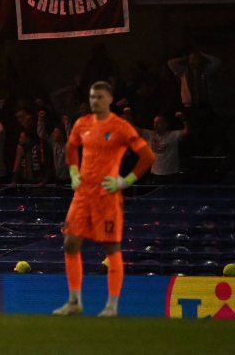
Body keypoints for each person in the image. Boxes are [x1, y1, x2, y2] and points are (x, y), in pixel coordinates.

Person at [54, 80, 155, 317]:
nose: (95, 101)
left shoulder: (120, 126)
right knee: (70, 243)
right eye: (92, 97)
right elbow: (71, 148)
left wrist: (125, 181)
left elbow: (147, 156)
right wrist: (74, 172)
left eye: (99, 96)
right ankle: (74, 301)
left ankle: (111, 306)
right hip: (83, 194)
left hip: (107, 195)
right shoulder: (82, 123)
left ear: (110, 99)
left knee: (111, 248)